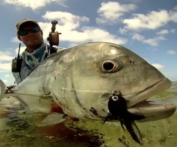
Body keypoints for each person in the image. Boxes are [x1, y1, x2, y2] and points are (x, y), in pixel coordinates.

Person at [6, 18, 104, 146]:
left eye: (34, 29)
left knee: (51, 134)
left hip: (61, 105)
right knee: (1, 117)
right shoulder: (17, 63)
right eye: (24, 32)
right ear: (20, 38)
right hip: (31, 104)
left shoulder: (64, 55)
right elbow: (23, 84)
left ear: (41, 32)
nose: (29, 33)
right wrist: (14, 89)